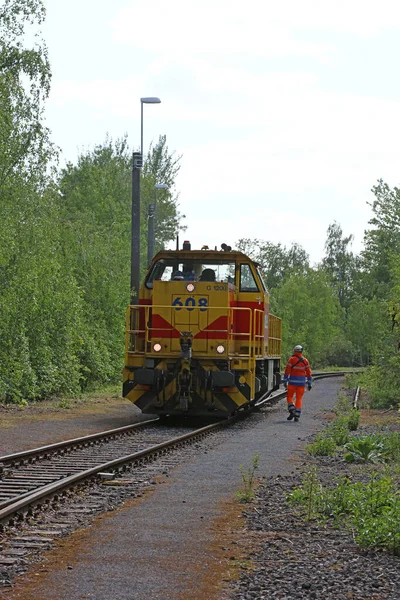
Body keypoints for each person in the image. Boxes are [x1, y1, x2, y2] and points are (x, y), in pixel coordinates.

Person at [283, 345, 312, 422]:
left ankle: (292, 410)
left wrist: (285, 381)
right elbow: (309, 373)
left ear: (295, 351)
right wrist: (310, 383)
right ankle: (297, 415)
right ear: (301, 351)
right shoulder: (305, 361)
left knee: (289, 397)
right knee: (299, 398)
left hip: (292, 383)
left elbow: (287, 371)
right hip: (301, 384)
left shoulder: (291, 360)